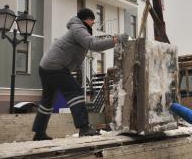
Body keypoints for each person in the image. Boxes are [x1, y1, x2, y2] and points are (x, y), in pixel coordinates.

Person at [32, 8, 128, 141]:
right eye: (92, 20)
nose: (93, 22)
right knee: (76, 93)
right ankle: (84, 128)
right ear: (85, 19)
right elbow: (93, 44)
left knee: (47, 102)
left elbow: (90, 42)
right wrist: (116, 39)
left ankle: (39, 133)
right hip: (55, 67)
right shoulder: (78, 28)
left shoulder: (78, 29)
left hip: (46, 67)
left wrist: (112, 39)